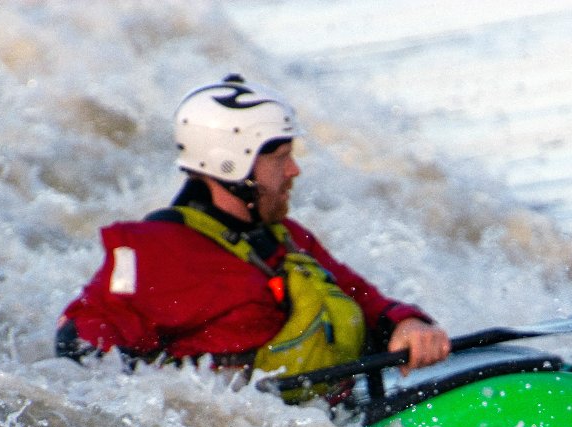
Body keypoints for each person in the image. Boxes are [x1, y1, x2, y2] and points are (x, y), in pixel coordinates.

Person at [56, 75, 450, 398]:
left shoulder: (286, 238)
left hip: (327, 416)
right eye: (280, 158)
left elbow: (362, 299)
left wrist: (405, 324)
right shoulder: (157, 251)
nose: (294, 170)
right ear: (235, 166)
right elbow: (81, 339)